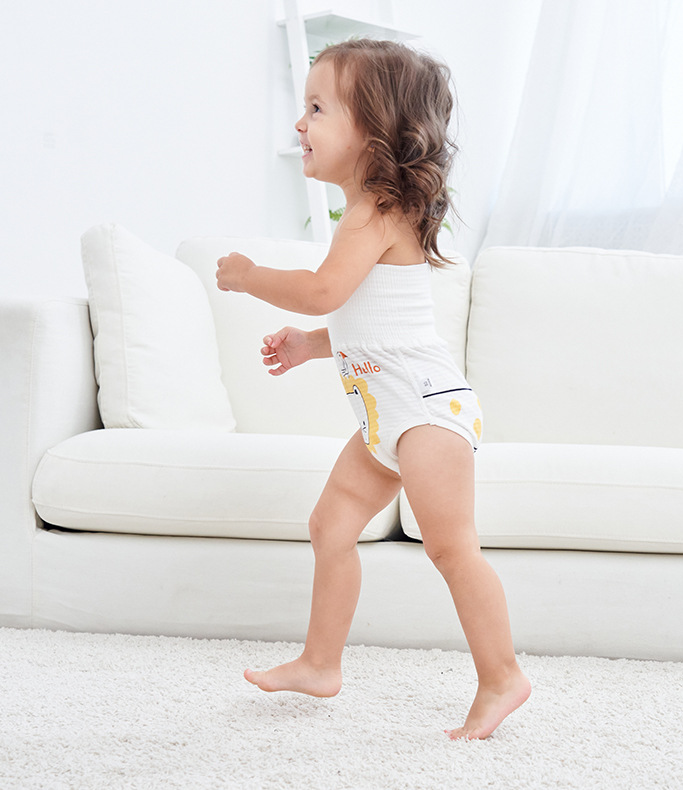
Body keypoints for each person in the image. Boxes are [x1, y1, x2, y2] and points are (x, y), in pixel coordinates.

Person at [215, 39, 530, 740]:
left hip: (426, 412)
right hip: (388, 415)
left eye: (318, 108)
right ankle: (320, 663)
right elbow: (374, 324)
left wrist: (248, 276)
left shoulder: (376, 213)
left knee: (451, 548)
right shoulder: (367, 215)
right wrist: (311, 346)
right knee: (329, 527)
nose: (300, 123)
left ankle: (502, 675)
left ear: (373, 130)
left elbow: (322, 291)